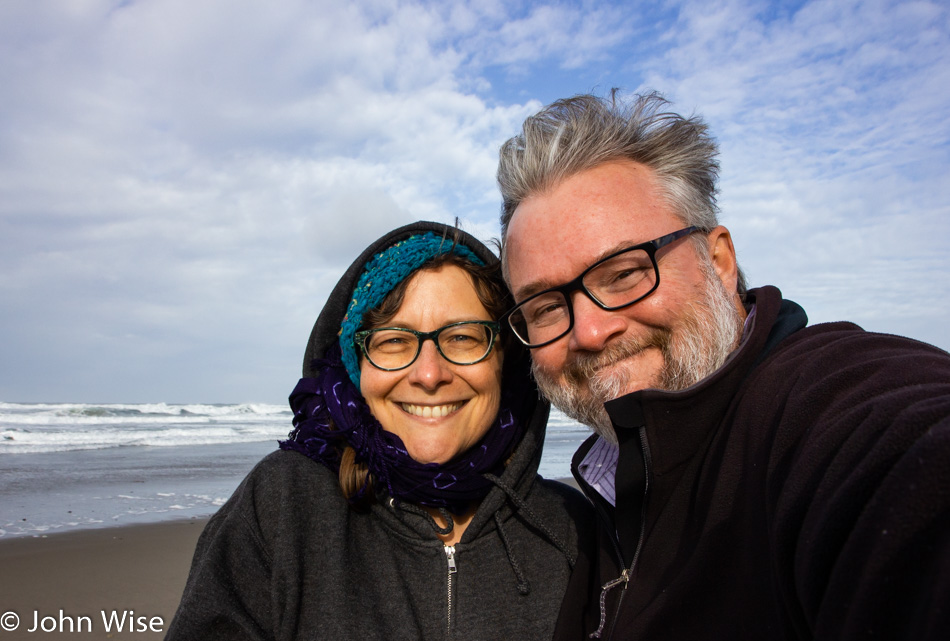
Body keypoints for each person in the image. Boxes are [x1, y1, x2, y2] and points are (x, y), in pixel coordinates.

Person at [496, 92, 950, 640]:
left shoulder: (821, 408)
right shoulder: (592, 510)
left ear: (719, 260)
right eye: (546, 307)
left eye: (625, 272)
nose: (590, 333)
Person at [166, 221, 593, 640]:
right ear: (358, 368)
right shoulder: (283, 505)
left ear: (505, 360)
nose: (429, 374)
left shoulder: (575, 529)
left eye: (463, 337)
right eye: (393, 341)